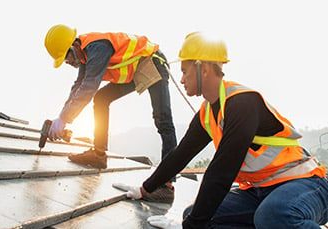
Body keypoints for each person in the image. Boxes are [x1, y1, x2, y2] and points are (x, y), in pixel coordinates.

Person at [113, 32, 328, 228]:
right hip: (260, 191)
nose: (181, 79)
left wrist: (190, 227)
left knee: (273, 215)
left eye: (185, 71)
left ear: (203, 69)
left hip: (305, 185)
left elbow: (222, 171)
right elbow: (180, 155)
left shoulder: (242, 103)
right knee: (199, 215)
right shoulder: (207, 113)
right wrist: (144, 189)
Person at [44, 24, 177, 202]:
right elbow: (78, 86)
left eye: (66, 57)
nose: (68, 63)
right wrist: (61, 117)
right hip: (135, 70)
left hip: (152, 62)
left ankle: (166, 186)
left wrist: (64, 119)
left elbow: (88, 86)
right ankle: (99, 154)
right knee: (101, 99)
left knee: (163, 120)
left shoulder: (96, 47)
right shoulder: (83, 57)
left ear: (75, 46)